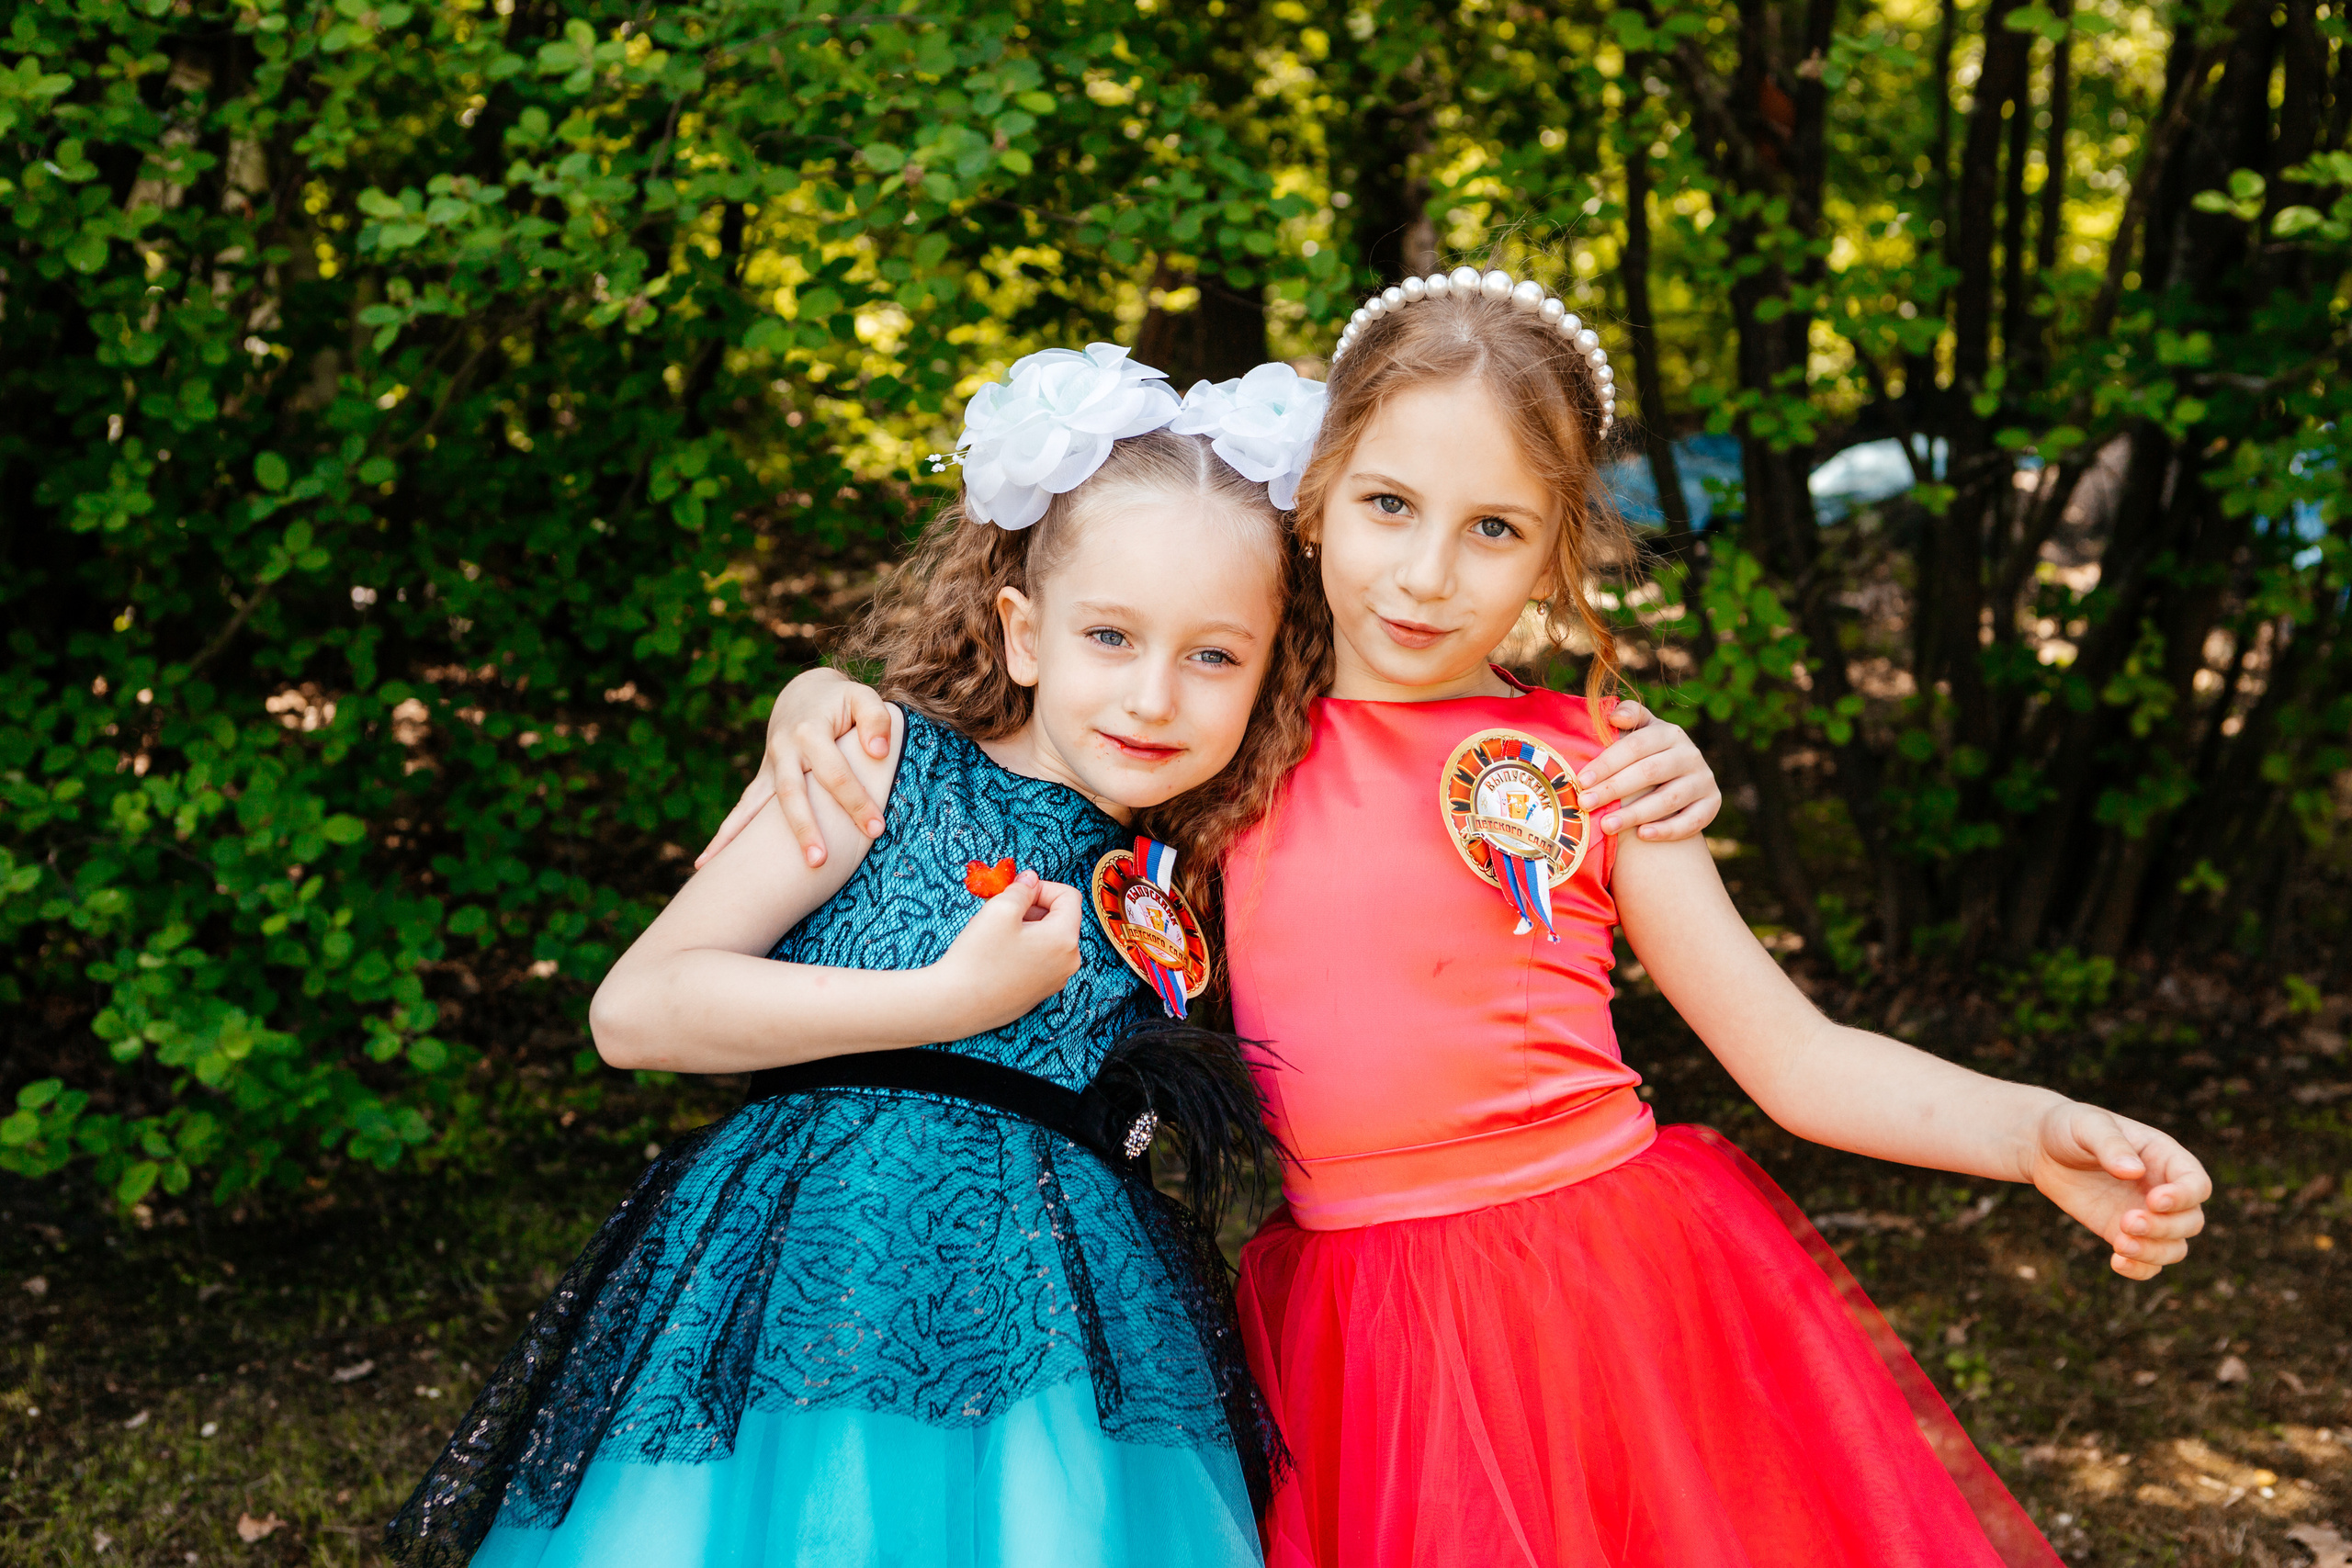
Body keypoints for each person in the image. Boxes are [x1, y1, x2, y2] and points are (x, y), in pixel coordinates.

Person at [739, 266, 2213, 1568]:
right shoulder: (1210, 734)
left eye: (1494, 528)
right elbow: (1000, 744)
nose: (1429, 575)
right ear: (1317, 496)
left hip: (1596, 1293)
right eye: (1389, 506)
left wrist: (2029, 1131)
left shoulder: (1601, 763)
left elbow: (1797, 1057)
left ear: (1562, 548)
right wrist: (818, 699)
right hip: (1359, 1333)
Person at [386, 343, 1326, 1568]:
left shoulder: (1196, 874)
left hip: (1057, 1343)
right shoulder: (878, 765)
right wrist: (944, 999)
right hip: (817, 1295)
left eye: (1214, 655)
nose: (1155, 697)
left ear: (1268, 674)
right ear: (1023, 633)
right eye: (1110, 635)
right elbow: (638, 1010)